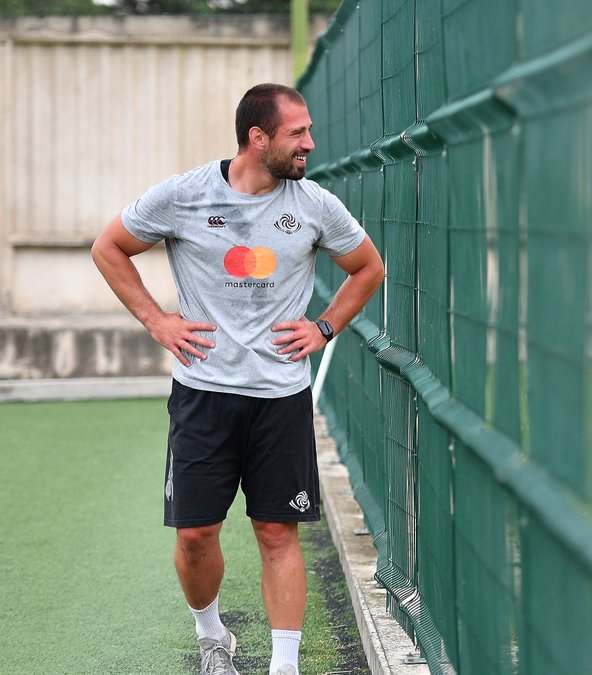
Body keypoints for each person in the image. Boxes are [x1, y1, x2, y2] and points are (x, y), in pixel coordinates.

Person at [92, 83, 384, 674]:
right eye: (297, 132)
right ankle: (212, 640)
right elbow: (109, 248)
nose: (311, 142)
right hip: (203, 394)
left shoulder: (314, 205)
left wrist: (324, 328)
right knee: (195, 537)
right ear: (258, 137)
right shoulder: (184, 195)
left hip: (280, 396)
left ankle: (284, 667)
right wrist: (158, 321)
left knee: (278, 533)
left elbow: (367, 267)